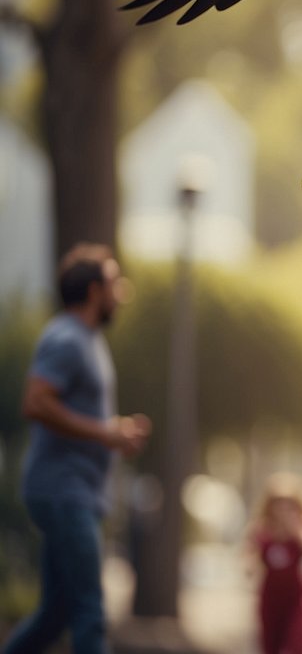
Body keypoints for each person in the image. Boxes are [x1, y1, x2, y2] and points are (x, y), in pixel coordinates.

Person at [3, 243, 152, 654]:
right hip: (65, 492)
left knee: (57, 613)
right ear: (93, 292)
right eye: (113, 283)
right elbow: (35, 402)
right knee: (90, 611)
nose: (121, 291)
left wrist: (114, 433)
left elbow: (78, 415)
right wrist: (106, 433)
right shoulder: (67, 338)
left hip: (74, 492)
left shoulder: (87, 339)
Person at [250, 472, 302, 654]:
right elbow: (248, 559)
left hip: (296, 598)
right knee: (270, 647)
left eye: (289, 504)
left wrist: (293, 528)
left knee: (296, 645)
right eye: (278, 504)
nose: (283, 509)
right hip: (270, 599)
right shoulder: (261, 529)